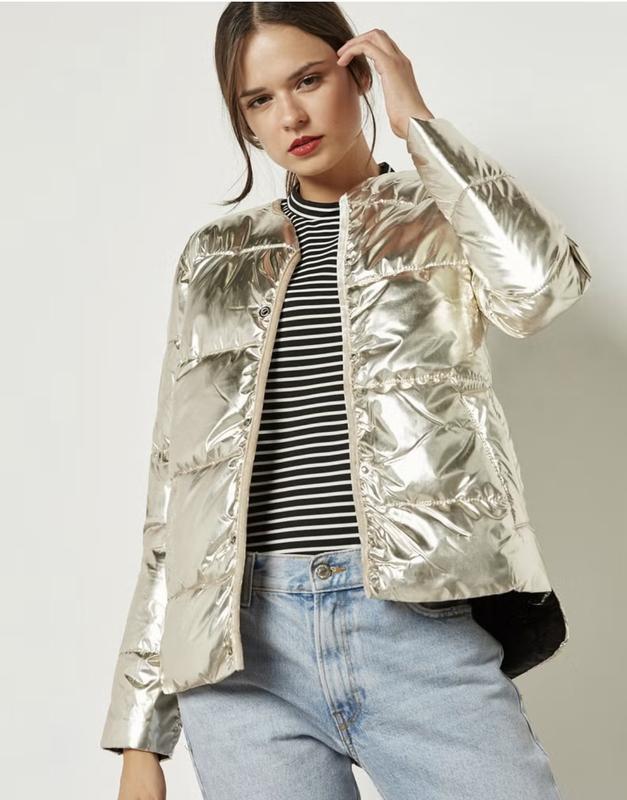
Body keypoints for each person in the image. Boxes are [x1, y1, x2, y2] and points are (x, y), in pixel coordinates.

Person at [100, 3, 592, 799]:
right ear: (244, 119)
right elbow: (173, 495)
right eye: (259, 100)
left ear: (356, 73)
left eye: (308, 80)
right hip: (242, 660)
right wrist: (140, 735)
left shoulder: (441, 214)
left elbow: (542, 289)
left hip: (413, 625)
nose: (289, 116)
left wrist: (417, 123)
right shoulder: (212, 258)